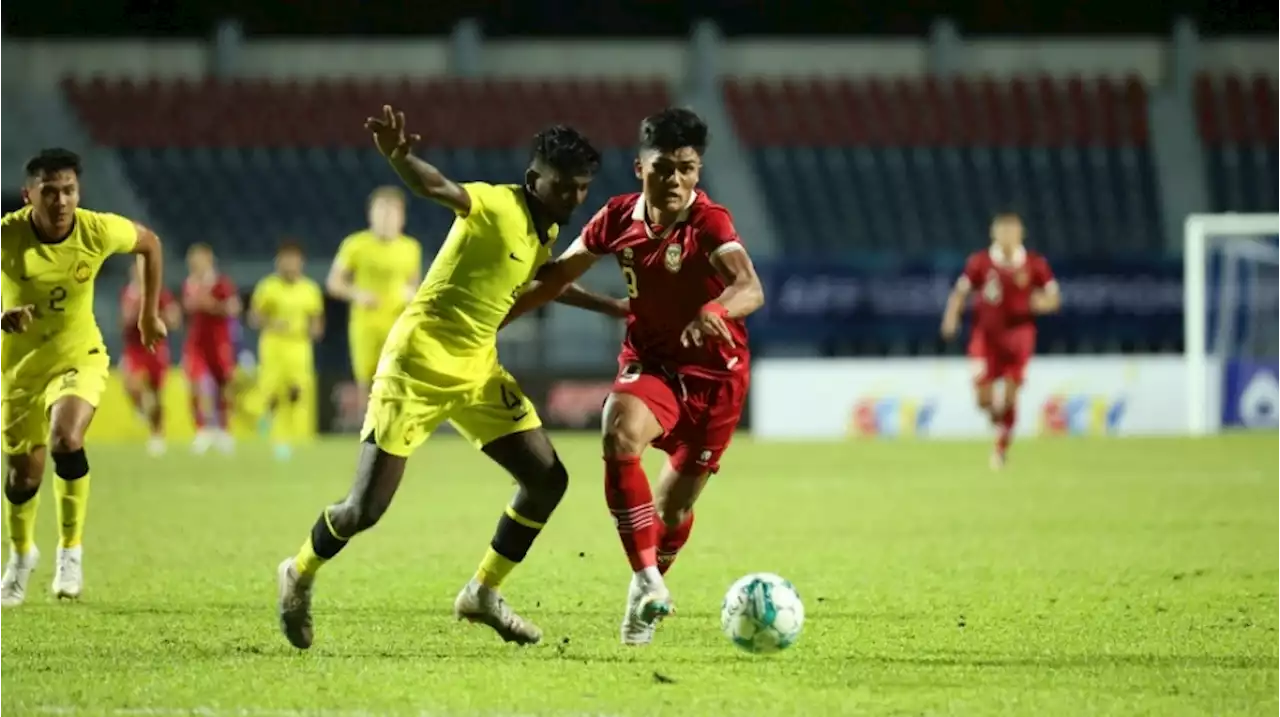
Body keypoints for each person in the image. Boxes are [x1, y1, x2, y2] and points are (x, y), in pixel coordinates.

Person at [275, 105, 628, 650]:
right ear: (535, 179)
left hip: (477, 370)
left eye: (582, 188)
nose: (574, 198)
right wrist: (399, 155)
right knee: (363, 510)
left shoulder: (544, 227)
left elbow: (546, 280)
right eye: (564, 186)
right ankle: (297, 573)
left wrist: (615, 307)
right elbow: (438, 187)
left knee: (547, 480)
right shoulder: (496, 203)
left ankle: (482, 591)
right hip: (416, 364)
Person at [502, 108, 766, 645]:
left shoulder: (709, 222)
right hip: (652, 365)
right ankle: (648, 578)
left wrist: (717, 310)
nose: (675, 180)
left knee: (674, 510)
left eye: (687, 169)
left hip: (717, 378)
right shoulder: (616, 218)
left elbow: (750, 287)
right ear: (638, 167)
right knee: (618, 429)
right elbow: (556, 277)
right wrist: (494, 317)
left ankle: (642, 588)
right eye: (663, 167)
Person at [0, 148, 167, 607]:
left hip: (80, 356)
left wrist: (148, 316)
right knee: (22, 477)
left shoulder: (96, 229)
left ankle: (70, 552)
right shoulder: (8, 235)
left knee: (66, 440)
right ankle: (19, 556)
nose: (60, 201)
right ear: (28, 195)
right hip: (19, 370)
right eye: (49, 191)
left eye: (68, 190)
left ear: (79, 192)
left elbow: (149, 244)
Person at [941, 212, 1060, 469]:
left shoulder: (1034, 264)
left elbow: (1054, 297)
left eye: (1012, 231)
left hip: (1019, 335)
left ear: (1020, 234)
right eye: (1002, 231)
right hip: (985, 336)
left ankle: (1000, 447)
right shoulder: (980, 263)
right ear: (994, 234)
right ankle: (999, 421)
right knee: (983, 400)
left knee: (1009, 395)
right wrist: (951, 318)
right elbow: (961, 292)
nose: (1007, 236)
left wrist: (1044, 303)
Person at [326, 187, 421, 407]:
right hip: (365, 323)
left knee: (398, 378)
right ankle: (370, 434)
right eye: (381, 212)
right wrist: (357, 294)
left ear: (402, 217)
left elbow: (415, 286)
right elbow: (334, 282)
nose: (387, 218)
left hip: (397, 322)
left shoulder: (411, 248)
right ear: (371, 215)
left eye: (392, 213)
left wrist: (411, 294)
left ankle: (396, 433)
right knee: (367, 383)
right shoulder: (355, 245)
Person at [248, 241, 325, 460]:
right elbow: (254, 317)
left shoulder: (310, 289)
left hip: (299, 347)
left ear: (301, 262)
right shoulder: (268, 287)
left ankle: (293, 436)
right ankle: (271, 432)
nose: (290, 264)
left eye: (294, 260)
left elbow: (317, 321)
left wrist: (313, 330)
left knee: (296, 391)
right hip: (273, 346)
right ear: (278, 262)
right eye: (286, 259)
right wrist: (272, 323)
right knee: (273, 394)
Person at [181, 243, 241, 455]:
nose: (194, 264)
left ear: (208, 260)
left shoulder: (221, 283)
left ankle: (224, 430)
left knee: (224, 385)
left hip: (219, 341)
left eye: (198, 259)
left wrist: (212, 305)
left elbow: (234, 307)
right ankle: (202, 430)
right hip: (197, 343)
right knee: (196, 384)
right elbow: (187, 309)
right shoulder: (189, 283)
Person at [119, 260, 181, 456]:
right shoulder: (129, 294)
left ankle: (157, 434)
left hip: (155, 347)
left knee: (155, 394)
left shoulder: (159, 293)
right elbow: (124, 320)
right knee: (132, 383)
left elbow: (174, 320)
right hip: (134, 348)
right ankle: (141, 409)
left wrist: (156, 317)